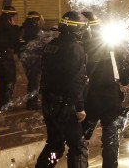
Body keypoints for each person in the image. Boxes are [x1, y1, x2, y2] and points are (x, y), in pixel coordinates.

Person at [35, 11, 88, 168]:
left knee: (55, 144)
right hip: (65, 105)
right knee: (78, 145)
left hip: (49, 102)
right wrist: (79, 107)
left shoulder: (51, 45)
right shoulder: (75, 48)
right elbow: (76, 80)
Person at [81, 12, 129, 168]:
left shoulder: (78, 42)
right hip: (110, 95)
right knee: (110, 138)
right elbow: (126, 71)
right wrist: (124, 80)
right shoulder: (113, 42)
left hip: (86, 96)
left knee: (81, 138)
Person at [0, 6, 21, 110]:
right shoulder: (7, 26)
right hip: (5, 56)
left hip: (0, 56)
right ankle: (6, 104)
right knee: (9, 79)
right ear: (10, 16)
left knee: (3, 80)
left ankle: (3, 102)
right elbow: (15, 38)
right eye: (13, 16)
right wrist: (15, 27)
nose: (14, 18)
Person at [22, 11, 46, 110]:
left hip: (27, 59)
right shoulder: (36, 30)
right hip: (35, 59)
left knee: (31, 81)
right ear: (36, 20)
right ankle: (32, 103)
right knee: (34, 82)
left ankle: (31, 102)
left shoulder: (24, 28)